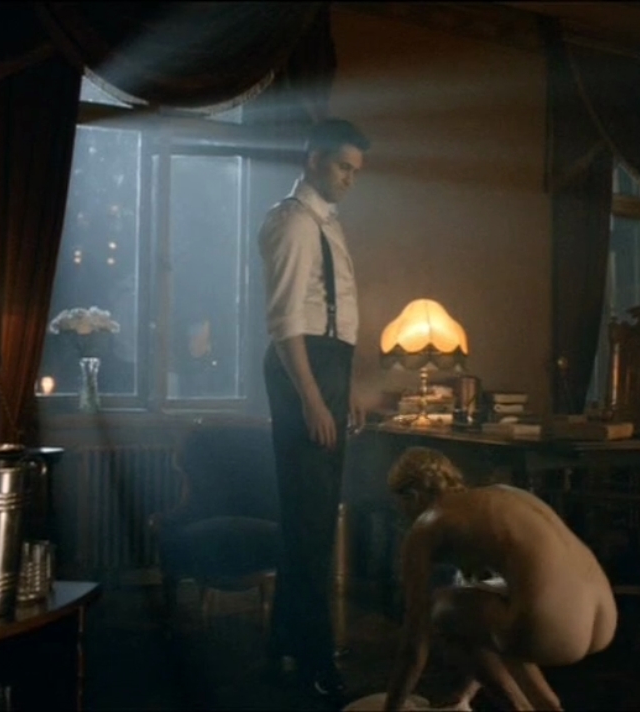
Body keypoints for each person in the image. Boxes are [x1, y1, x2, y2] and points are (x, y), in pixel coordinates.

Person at [259, 117, 371, 705]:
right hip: (302, 368)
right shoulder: (294, 222)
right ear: (312, 161)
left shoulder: (326, 220)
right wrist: (310, 396)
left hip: (328, 366)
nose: (350, 179)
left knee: (315, 520)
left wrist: (342, 388)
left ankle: (285, 645)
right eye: (341, 167)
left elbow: (332, 316)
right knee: (308, 524)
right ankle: (314, 659)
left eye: (355, 170)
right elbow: (285, 322)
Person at [381, 447, 619, 712]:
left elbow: (414, 645)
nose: (400, 515)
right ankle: (546, 705)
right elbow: (481, 629)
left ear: (412, 496)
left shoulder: (428, 523)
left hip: (555, 632)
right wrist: (464, 695)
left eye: (397, 505)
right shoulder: (503, 496)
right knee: (487, 599)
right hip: (604, 619)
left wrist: (391, 707)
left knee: (439, 609)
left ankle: (518, 708)